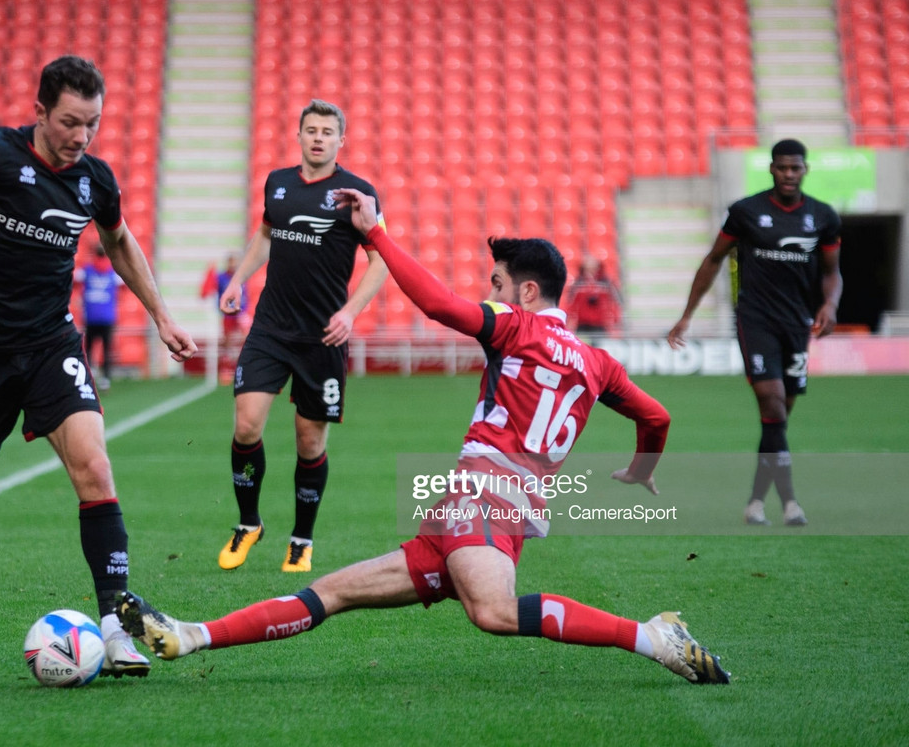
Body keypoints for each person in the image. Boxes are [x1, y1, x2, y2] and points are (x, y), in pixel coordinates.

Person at [113, 188, 730, 686]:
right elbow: (658, 419)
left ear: (528, 292)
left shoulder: (518, 329)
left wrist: (376, 233)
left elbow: (437, 305)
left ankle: (653, 636)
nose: (491, 292)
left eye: (497, 282)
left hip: (483, 498)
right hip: (492, 509)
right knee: (331, 592)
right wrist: (643, 469)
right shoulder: (599, 363)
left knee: (491, 611)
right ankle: (192, 634)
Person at [0, 55, 196, 679]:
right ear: (40, 112)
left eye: (93, 124)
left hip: (51, 344)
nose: (81, 136)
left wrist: (161, 315)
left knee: (95, 466)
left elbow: (120, 240)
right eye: (71, 122)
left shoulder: (95, 180)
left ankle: (116, 622)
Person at [215, 99, 389, 573]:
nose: (317, 137)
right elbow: (266, 237)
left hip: (323, 338)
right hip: (270, 328)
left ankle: (301, 538)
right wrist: (238, 281)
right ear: (298, 135)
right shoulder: (279, 183)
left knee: (309, 443)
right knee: (246, 426)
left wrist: (351, 312)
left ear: (340, 140)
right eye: (310, 130)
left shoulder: (359, 193)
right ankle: (248, 523)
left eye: (326, 132)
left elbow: (381, 260)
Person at [668, 139, 842, 527]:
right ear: (771, 169)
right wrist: (686, 316)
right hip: (755, 319)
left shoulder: (823, 217)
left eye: (795, 168)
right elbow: (713, 260)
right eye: (782, 168)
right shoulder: (746, 212)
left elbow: (832, 271)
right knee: (773, 402)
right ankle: (792, 503)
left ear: (804, 170)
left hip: (797, 325)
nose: (789, 174)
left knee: (776, 419)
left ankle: (755, 502)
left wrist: (829, 305)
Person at [75, 243, 121, 388]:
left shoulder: (87, 271)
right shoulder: (112, 273)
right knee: (107, 349)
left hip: (91, 316)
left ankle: (89, 375)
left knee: (88, 348)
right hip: (107, 317)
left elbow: (73, 278)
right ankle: (106, 379)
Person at [199, 252, 249, 383]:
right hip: (227, 314)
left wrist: (245, 311)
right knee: (227, 343)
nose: (233, 265)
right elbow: (210, 288)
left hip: (240, 312)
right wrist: (210, 270)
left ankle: (244, 366)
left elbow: (246, 296)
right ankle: (227, 369)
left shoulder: (242, 277)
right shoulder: (221, 277)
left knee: (247, 338)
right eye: (231, 262)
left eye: (235, 262)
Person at [564, 255, 622, 336]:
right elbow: (570, 304)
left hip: (600, 324)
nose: (591, 270)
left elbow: (616, 303)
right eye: (587, 268)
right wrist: (569, 321)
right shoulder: (578, 284)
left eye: (593, 267)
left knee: (599, 346)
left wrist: (614, 321)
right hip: (582, 324)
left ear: (598, 267)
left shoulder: (606, 283)